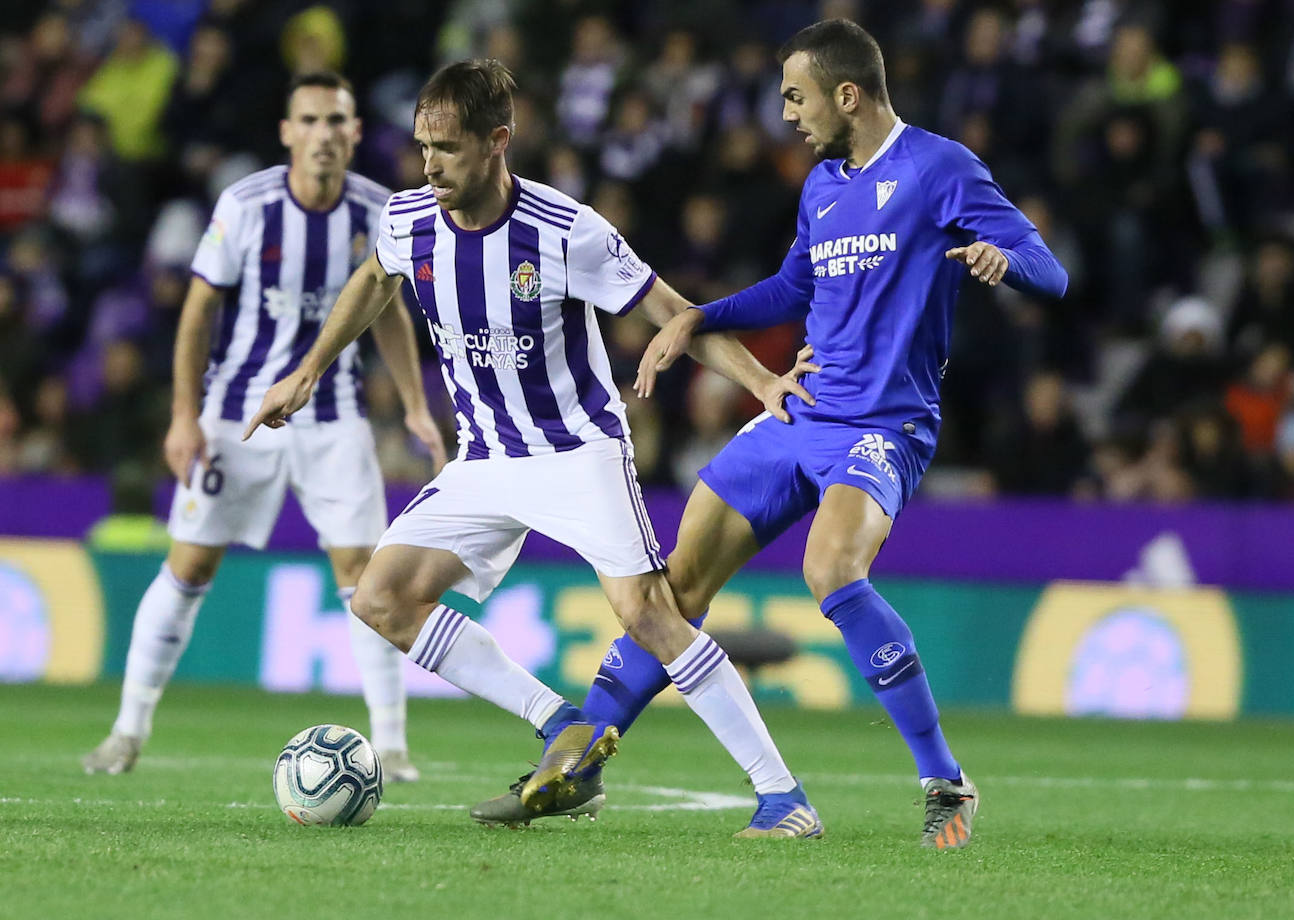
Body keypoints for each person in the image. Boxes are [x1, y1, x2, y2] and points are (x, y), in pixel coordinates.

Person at [476, 19, 1068, 849]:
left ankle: (944, 779)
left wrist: (1007, 263)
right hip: (801, 410)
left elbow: (1052, 268)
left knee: (831, 570)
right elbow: (794, 286)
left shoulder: (940, 168)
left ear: (847, 94)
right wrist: (695, 319)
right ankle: (578, 766)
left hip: (885, 424)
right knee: (673, 588)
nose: (786, 112)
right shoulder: (823, 185)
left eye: (797, 95)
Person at [245, 59, 826, 839]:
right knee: (379, 598)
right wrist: (308, 370)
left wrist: (760, 383)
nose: (430, 165)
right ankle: (562, 725)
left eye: (447, 148)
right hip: (485, 460)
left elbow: (671, 312)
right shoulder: (409, 218)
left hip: (575, 449)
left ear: (498, 142)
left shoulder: (565, 231)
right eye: (422, 146)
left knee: (649, 614)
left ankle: (783, 796)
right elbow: (374, 281)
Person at [82, 72, 447, 782]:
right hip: (237, 413)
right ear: (288, 132)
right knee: (190, 564)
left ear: (354, 133)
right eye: (309, 119)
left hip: (336, 415)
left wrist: (412, 406)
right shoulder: (246, 205)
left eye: (337, 121)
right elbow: (198, 311)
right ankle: (127, 731)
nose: (323, 134)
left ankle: (393, 745)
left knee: (364, 575)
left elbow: (392, 312)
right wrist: (184, 415)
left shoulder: (378, 210)